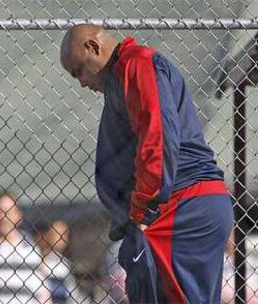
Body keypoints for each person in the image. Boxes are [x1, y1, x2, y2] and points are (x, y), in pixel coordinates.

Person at [60, 24, 234, 303]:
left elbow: (158, 140)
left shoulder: (137, 64)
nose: (80, 81)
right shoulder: (122, 75)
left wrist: (142, 212)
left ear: (93, 47)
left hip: (180, 207)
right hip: (173, 206)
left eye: (78, 70)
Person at [0, 192, 51, 304]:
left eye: (8, 212)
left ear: (18, 216)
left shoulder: (31, 251)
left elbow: (43, 295)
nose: (3, 217)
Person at [35, 220, 87, 304]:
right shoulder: (34, 257)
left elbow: (72, 293)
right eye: (56, 234)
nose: (62, 239)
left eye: (64, 235)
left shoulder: (63, 264)